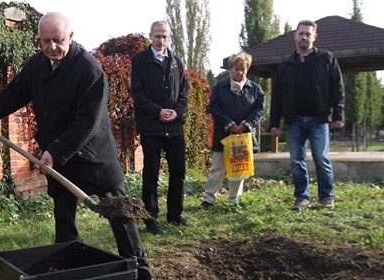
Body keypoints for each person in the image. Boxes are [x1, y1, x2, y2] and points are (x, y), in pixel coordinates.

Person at [0, 12, 169, 280]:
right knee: (64, 218)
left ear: (71, 37)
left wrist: (55, 151)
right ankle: (70, 272)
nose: (52, 47)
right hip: (60, 156)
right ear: (38, 40)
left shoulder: (89, 69)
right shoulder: (38, 65)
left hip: (94, 156)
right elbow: (15, 92)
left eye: (58, 40)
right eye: (46, 41)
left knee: (119, 213)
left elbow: (87, 121)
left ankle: (141, 273)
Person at [269, 20, 345, 211]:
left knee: (321, 158)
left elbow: (338, 88)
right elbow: (277, 96)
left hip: (319, 119)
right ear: (295, 36)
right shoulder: (285, 65)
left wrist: (338, 114)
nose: (304, 37)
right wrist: (274, 122)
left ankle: (327, 196)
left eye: (308, 34)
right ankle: (302, 197)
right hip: (294, 121)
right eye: (301, 33)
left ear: (314, 37)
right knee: (296, 162)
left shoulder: (326, 59)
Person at [130, 20, 190, 234]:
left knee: (178, 172)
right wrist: (157, 111)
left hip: (174, 127)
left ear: (169, 37)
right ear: (150, 36)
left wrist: (176, 112)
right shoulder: (140, 61)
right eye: (157, 36)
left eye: (164, 36)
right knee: (151, 173)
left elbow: (184, 92)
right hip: (151, 127)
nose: (160, 40)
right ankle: (150, 219)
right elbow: (137, 93)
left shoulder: (176, 62)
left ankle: (174, 215)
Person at [199, 52, 265, 209]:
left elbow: (260, 110)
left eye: (243, 69)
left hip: (244, 135)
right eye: (237, 69)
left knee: (239, 168)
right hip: (223, 135)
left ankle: (234, 200)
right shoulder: (219, 87)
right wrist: (229, 124)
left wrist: (245, 124)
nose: (240, 72)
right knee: (217, 168)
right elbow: (214, 107)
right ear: (230, 69)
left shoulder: (255, 89)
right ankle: (209, 199)